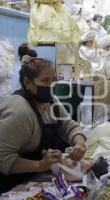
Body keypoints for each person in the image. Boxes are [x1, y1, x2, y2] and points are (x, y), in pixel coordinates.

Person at [0, 58, 87, 194]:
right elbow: (2, 158)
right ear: (27, 83)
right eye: (45, 81)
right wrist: (39, 165)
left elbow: (69, 125)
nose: (51, 86)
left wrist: (79, 143)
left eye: (53, 80)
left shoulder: (51, 102)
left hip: (33, 179)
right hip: (11, 184)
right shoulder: (19, 111)